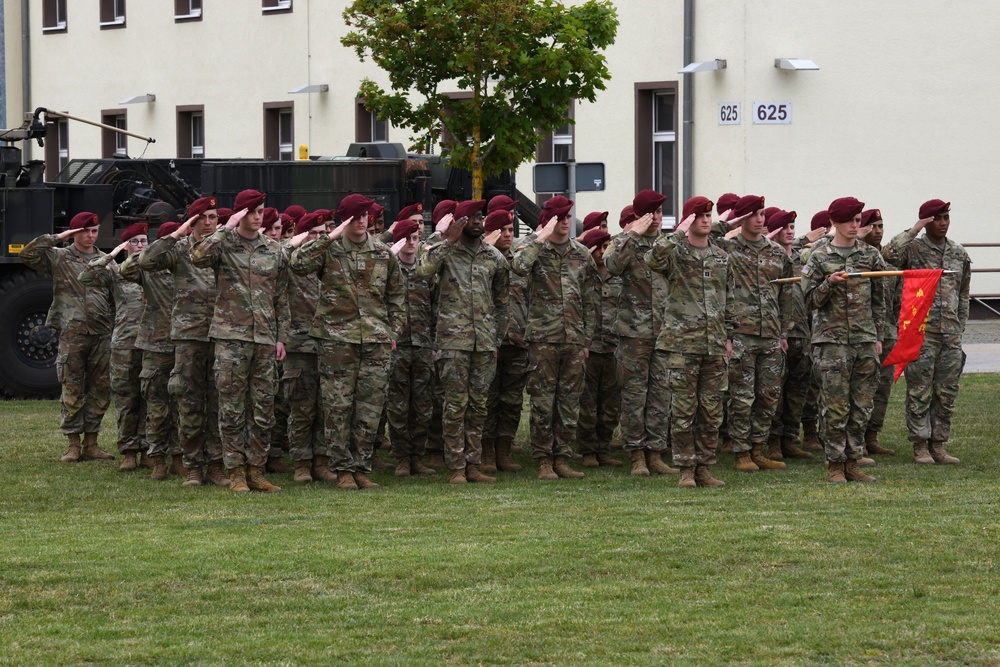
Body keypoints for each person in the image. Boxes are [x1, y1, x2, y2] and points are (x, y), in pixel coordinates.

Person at [290, 193, 405, 490]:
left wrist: (394, 331)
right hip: (337, 340)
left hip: (375, 340)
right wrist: (329, 236)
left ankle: (361, 467)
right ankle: (342, 469)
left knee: (370, 408)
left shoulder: (381, 253)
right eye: (355, 216)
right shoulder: (329, 250)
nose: (362, 221)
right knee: (338, 407)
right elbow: (298, 263)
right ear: (345, 219)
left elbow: (397, 296)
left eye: (365, 215)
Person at [190, 189, 290, 493]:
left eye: (261, 211)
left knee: (263, 406)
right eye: (252, 211)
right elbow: (197, 256)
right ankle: (234, 472)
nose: (258, 217)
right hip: (231, 337)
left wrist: (281, 337)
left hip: (263, 337)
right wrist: (225, 228)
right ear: (240, 214)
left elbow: (281, 296)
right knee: (231, 407)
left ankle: (256, 470)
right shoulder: (223, 245)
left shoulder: (273, 250)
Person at [417, 200, 510, 484]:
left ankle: (473, 465)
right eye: (469, 217)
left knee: (479, 406)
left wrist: (495, 336)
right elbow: (423, 270)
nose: (476, 221)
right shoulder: (443, 253)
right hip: (453, 342)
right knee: (455, 405)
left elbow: (502, 301)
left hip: (484, 344)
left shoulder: (493, 257)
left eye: (479, 216)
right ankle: (457, 466)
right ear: (458, 222)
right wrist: (447, 240)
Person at [137, 197, 228, 487]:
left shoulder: (224, 246)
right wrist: (177, 233)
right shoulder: (178, 249)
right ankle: (191, 466)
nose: (209, 221)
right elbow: (146, 261)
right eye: (203, 216)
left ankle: (215, 464)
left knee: (217, 404)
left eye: (213, 216)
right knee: (188, 403)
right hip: (189, 335)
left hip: (221, 332)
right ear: (192, 220)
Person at [645, 196, 731, 488]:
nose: (706, 220)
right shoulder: (676, 254)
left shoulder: (720, 256)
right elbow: (652, 258)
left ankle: (704, 467)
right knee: (683, 411)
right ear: (687, 220)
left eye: (709, 215)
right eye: (699, 215)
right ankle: (685, 469)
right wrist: (678, 232)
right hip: (682, 344)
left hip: (714, 343)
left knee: (711, 411)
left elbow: (727, 300)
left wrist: (728, 337)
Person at [511, 195, 596, 481]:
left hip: (573, 339)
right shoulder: (534, 249)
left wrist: (586, 338)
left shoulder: (580, 253)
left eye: (568, 217)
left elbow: (590, 297)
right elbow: (518, 266)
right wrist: (540, 236)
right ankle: (543, 460)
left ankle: (562, 457)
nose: (564, 222)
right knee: (542, 401)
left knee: (569, 401)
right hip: (543, 338)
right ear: (548, 220)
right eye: (559, 218)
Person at [802, 197, 886, 483]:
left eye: (858, 219)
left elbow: (879, 300)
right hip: (832, 342)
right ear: (835, 223)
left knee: (861, 405)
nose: (855, 225)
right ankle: (835, 464)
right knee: (835, 405)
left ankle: (853, 461)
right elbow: (807, 299)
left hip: (863, 339)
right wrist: (828, 283)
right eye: (849, 220)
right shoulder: (818, 256)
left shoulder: (871, 255)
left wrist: (877, 335)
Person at [21, 212, 115, 462]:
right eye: (85, 231)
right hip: (72, 332)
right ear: (74, 233)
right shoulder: (60, 257)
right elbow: (28, 254)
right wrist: (58, 237)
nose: (90, 236)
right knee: (72, 386)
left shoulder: (105, 260)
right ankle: (73, 444)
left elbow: (117, 294)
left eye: (94, 231)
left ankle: (91, 443)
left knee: (100, 388)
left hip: (101, 332)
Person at [883, 199, 971, 465]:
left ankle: (939, 444)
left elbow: (963, 293)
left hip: (950, 333)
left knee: (947, 391)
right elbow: (888, 255)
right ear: (926, 222)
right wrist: (914, 229)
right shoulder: (914, 248)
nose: (943, 223)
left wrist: (960, 325)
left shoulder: (958, 252)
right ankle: (920, 445)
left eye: (946, 218)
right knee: (920, 390)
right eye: (937, 219)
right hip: (922, 332)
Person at [713, 195, 795, 472]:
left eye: (762, 214)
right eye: (753, 214)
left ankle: (758, 447)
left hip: (770, 334)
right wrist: (729, 222)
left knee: (769, 395)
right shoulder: (726, 248)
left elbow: (786, 294)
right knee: (741, 397)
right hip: (741, 334)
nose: (760, 219)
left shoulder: (775, 252)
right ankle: (741, 452)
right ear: (742, 218)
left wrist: (784, 330)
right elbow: (700, 238)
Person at [603, 190, 677, 476]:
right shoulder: (623, 242)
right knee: (634, 395)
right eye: (652, 212)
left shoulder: (665, 244)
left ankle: (655, 453)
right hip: (634, 333)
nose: (657, 218)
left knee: (660, 396)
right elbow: (610, 267)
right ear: (640, 215)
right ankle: (636, 455)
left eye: (660, 212)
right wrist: (634, 234)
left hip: (664, 332)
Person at [120, 222, 188, 480]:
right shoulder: (148, 268)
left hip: (183, 343)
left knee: (182, 404)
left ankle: (178, 457)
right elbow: (126, 269)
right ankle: (156, 457)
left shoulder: (186, 266)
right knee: (157, 406)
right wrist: (142, 250)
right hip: (155, 344)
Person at [79, 222, 149, 471]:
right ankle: (129, 451)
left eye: (143, 241)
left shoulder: (157, 271)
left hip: (152, 343)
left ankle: (149, 450)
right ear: (126, 245)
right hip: (124, 344)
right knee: (126, 398)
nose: (139, 246)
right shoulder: (116, 272)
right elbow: (85, 277)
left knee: (150, 398)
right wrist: (111, 255)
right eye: (135, 241)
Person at [281, 212, 332, 483]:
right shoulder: (289, 261)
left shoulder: (330, 262)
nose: (319, 239)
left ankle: (321, 460)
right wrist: (292, 243)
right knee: (301, 407)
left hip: (329, 344)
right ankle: (301, 462)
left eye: (323, 234)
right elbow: (273, 256)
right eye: (313, 233)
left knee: (326, 407)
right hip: (299, 345)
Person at [386, 217, 438, 477]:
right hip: (397, 346)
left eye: (414, 237)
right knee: (397, 405)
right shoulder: (389, 268)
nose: (410, 242)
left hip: (422, 345)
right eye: (405, 237)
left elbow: (437, 307)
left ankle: (418, 456)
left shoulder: (426, 271)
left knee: (422, 404)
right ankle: (401, 458)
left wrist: (434, 343)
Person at [481, 203, 529, 473]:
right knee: (488, 398)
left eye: (511, 229)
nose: (508, 234)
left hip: (517, 341)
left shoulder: (519, 263)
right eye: (502, 230)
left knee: (512, 402)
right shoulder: (482, 261)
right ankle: (486, 453)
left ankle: (504, 451)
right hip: (489, 341)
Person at [765, 210, 816, 461]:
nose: (790, 231)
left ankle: (790, 438)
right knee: (776, 390)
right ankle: (773, 441)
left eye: (793, 226)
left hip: (802, 334)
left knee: (798, 390)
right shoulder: (769, 258)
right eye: (784, 227)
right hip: (777, 333)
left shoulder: (802, 259)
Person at [577, 227, 623, 468]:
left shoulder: (617, 277)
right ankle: (587, 451)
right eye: (599, 248)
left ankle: (604, 448)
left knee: (610, 404)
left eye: (607, 247)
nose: (603, 253)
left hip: (613, 347)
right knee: (587, 404)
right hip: (590, 348)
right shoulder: (583, 276)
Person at [857, 208, 899, 457]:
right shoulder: (853, 258)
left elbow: (894, 302)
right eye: (872, 226)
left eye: (881, 226)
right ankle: (856, 440)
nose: (878, 231)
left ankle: (872, 435)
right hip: (861, 334)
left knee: (882, 388)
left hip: (887, 334)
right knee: (861, 389)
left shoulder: (887, 262)